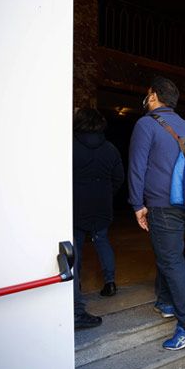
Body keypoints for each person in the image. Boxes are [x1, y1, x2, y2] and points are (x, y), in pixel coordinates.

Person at [128, 76, 185, 350]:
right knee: (170, 254)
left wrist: (137, 204)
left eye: (148, 94)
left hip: (162, 203)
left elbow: (137, 167)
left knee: (170, 259)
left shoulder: (146, 124)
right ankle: (166, 301)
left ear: (152, 96)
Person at [72, 108, 124, 329]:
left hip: (75, 206)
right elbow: (119, 178)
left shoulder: (69, 147)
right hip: (102, 204)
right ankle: (110, 283)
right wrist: (105, 193)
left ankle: (75, 293)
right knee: (102, 240)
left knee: (75, 250)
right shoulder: (110, 149)